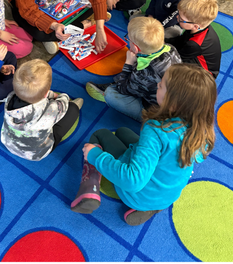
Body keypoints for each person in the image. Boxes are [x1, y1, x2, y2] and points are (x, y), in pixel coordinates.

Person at [71, 64, 216, 226]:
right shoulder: (200, 129)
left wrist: (95, 156)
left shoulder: (156, 130)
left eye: (161, 86)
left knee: (100, 135)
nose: (157, 85)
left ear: (173, 103)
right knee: (122, 131)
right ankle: (151, 207)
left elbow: (132, 180)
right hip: (167, 195)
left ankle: (89, 187)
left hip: (137, 193)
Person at [86, 16, 180, 121]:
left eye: (128, 39)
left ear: (135, 48)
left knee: (111, 94)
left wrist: (128, 63)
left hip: (156, 110)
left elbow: (122, 88)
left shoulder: (143, 72)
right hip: (174, 98)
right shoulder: (171, 48)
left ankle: (145, 118)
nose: (127, 40)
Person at [0, 59, 83, 161]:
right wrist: (62, 96)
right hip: (36, 153)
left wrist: (48, 94)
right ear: (46, 93)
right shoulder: (50, 110)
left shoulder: (10, 98)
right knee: (72, 109)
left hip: (9, 144)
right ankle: (73, 107)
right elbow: (64, 102)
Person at [166, 0, 222, 78]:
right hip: (192, 54)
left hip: (203, 75)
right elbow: (182, 40)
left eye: (181, 18)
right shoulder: (198, 28)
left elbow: (177, 59)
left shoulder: (194, 44)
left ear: (195, 26)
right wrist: (165, 41)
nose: (177, 17)